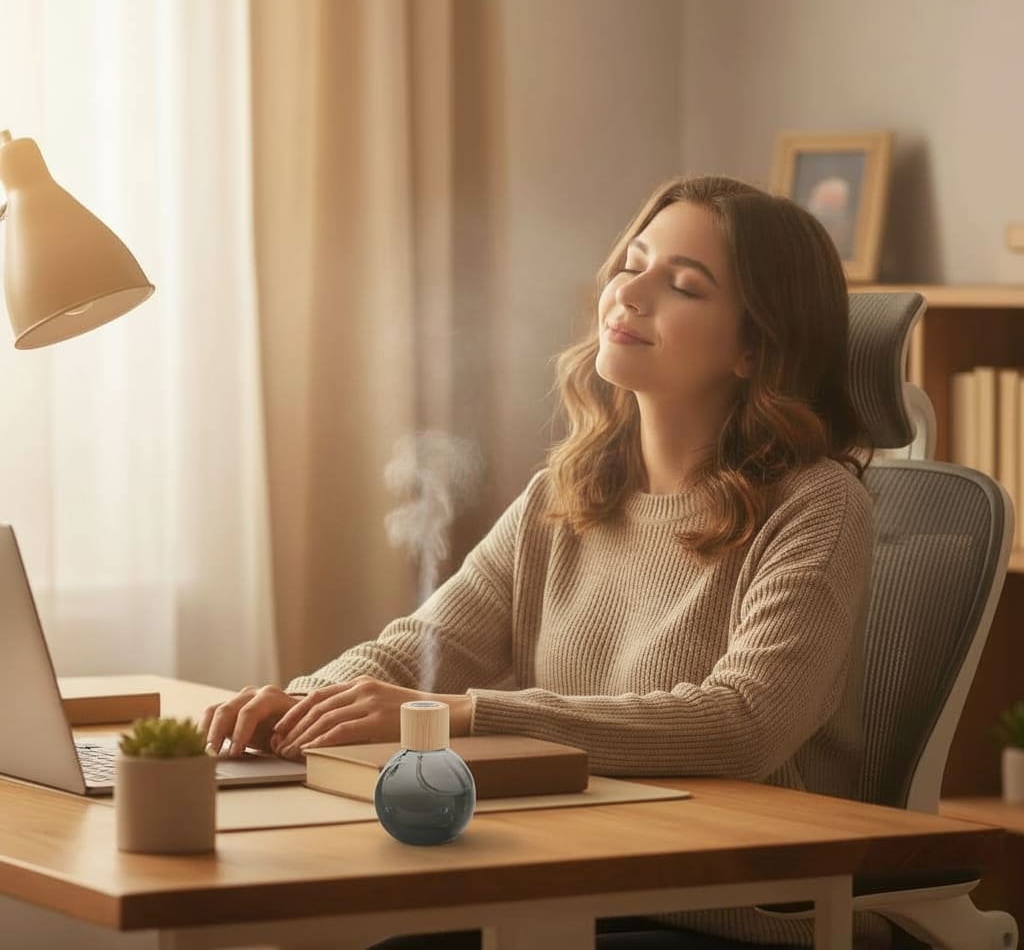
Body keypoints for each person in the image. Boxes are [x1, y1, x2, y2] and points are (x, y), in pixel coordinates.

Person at [202, 176, 893, 949]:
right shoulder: (566, 493)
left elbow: (744, 725)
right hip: (573, 879)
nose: (629, 294)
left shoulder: (817, 507)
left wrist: (460, 717)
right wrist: (300, 703)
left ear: (752, 349)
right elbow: (422, 650)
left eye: (684, 285)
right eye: (632, 263)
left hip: (727, 911)